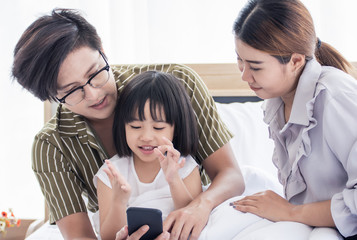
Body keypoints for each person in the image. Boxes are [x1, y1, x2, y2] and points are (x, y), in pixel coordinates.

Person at [11, 8, 244, 240]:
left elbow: (230, 175)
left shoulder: (179, 84)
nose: (93, 95)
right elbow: (81, 236)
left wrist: (198, 207)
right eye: (72, 91)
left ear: (102, 50)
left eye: (94, 74)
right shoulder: (51, 147)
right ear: (51, 97)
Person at [229, 0, 357, 239]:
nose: (245, 76)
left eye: (255, 67)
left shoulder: (336, 97)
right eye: (240, 62)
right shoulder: (276, 101)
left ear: (296, 61)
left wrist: (292, 212)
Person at [94, 71, 202, 240]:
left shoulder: (185, 166)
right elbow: (108, 236)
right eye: (135, 127)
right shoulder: (111, 173)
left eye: (158, 128)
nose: (146, 137)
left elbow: (192, 218)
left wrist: (174, 179)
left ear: (176, 127)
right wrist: (119, 201)